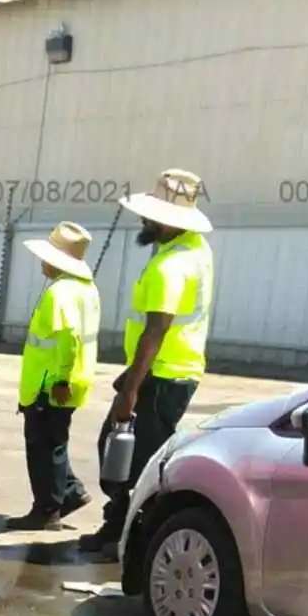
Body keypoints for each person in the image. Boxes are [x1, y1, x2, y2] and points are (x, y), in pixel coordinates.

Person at [79, 169, 215, 557]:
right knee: (125, 451)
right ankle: (120, 525)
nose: (144, 221)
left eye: (150, 215)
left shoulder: (170, 266)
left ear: (167, 220)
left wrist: (131, 390)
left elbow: (156, 329)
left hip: (161, 376)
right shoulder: (194, 249)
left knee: (130, 459)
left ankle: (126, 537)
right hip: (171, 371)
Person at [7, 221, 101, 530]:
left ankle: (46, 510)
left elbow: (69, 340)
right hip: (71, 382)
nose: (42, 263)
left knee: (43, 447)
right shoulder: (86, 290)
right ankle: (70, 492)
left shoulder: (60, 293)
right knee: (55, 443)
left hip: (51, 385)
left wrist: (60, 379)